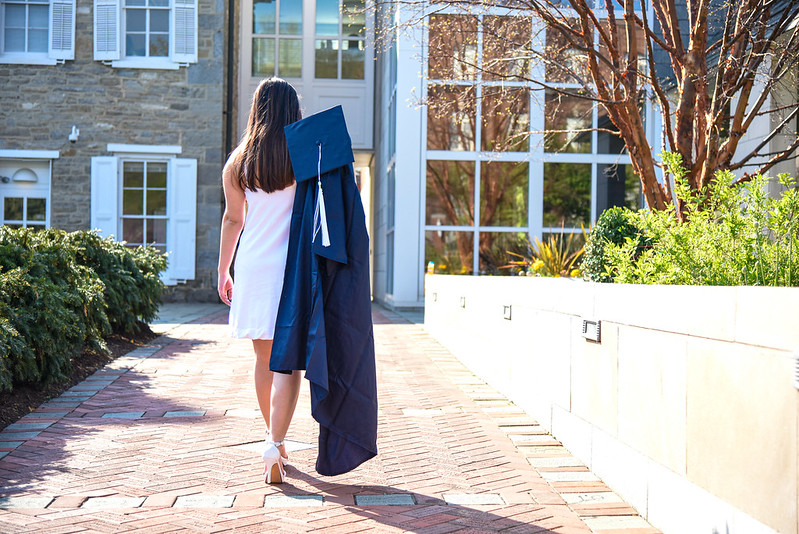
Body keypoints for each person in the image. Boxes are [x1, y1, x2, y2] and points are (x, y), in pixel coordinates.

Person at [217, 78, 302, 484]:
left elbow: (234, 219)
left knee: (264, 359)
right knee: (290, 364)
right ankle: (277, 442)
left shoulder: (238, 161)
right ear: (292, 109)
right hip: (293, 269)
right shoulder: (302, 154)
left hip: (253, 265)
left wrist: (223, 270)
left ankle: (273, 441)